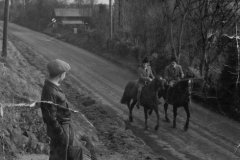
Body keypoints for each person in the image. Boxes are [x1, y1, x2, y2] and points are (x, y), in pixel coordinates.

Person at [40, 59, 83, 160]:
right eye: (65, 73)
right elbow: (50, 117)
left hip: (64, 128)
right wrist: (61, 134)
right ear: (60, 75)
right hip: (61, 131)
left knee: (74, 151)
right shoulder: (50, 92)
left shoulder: (53, 88)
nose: (65, 75)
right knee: (67, 155)